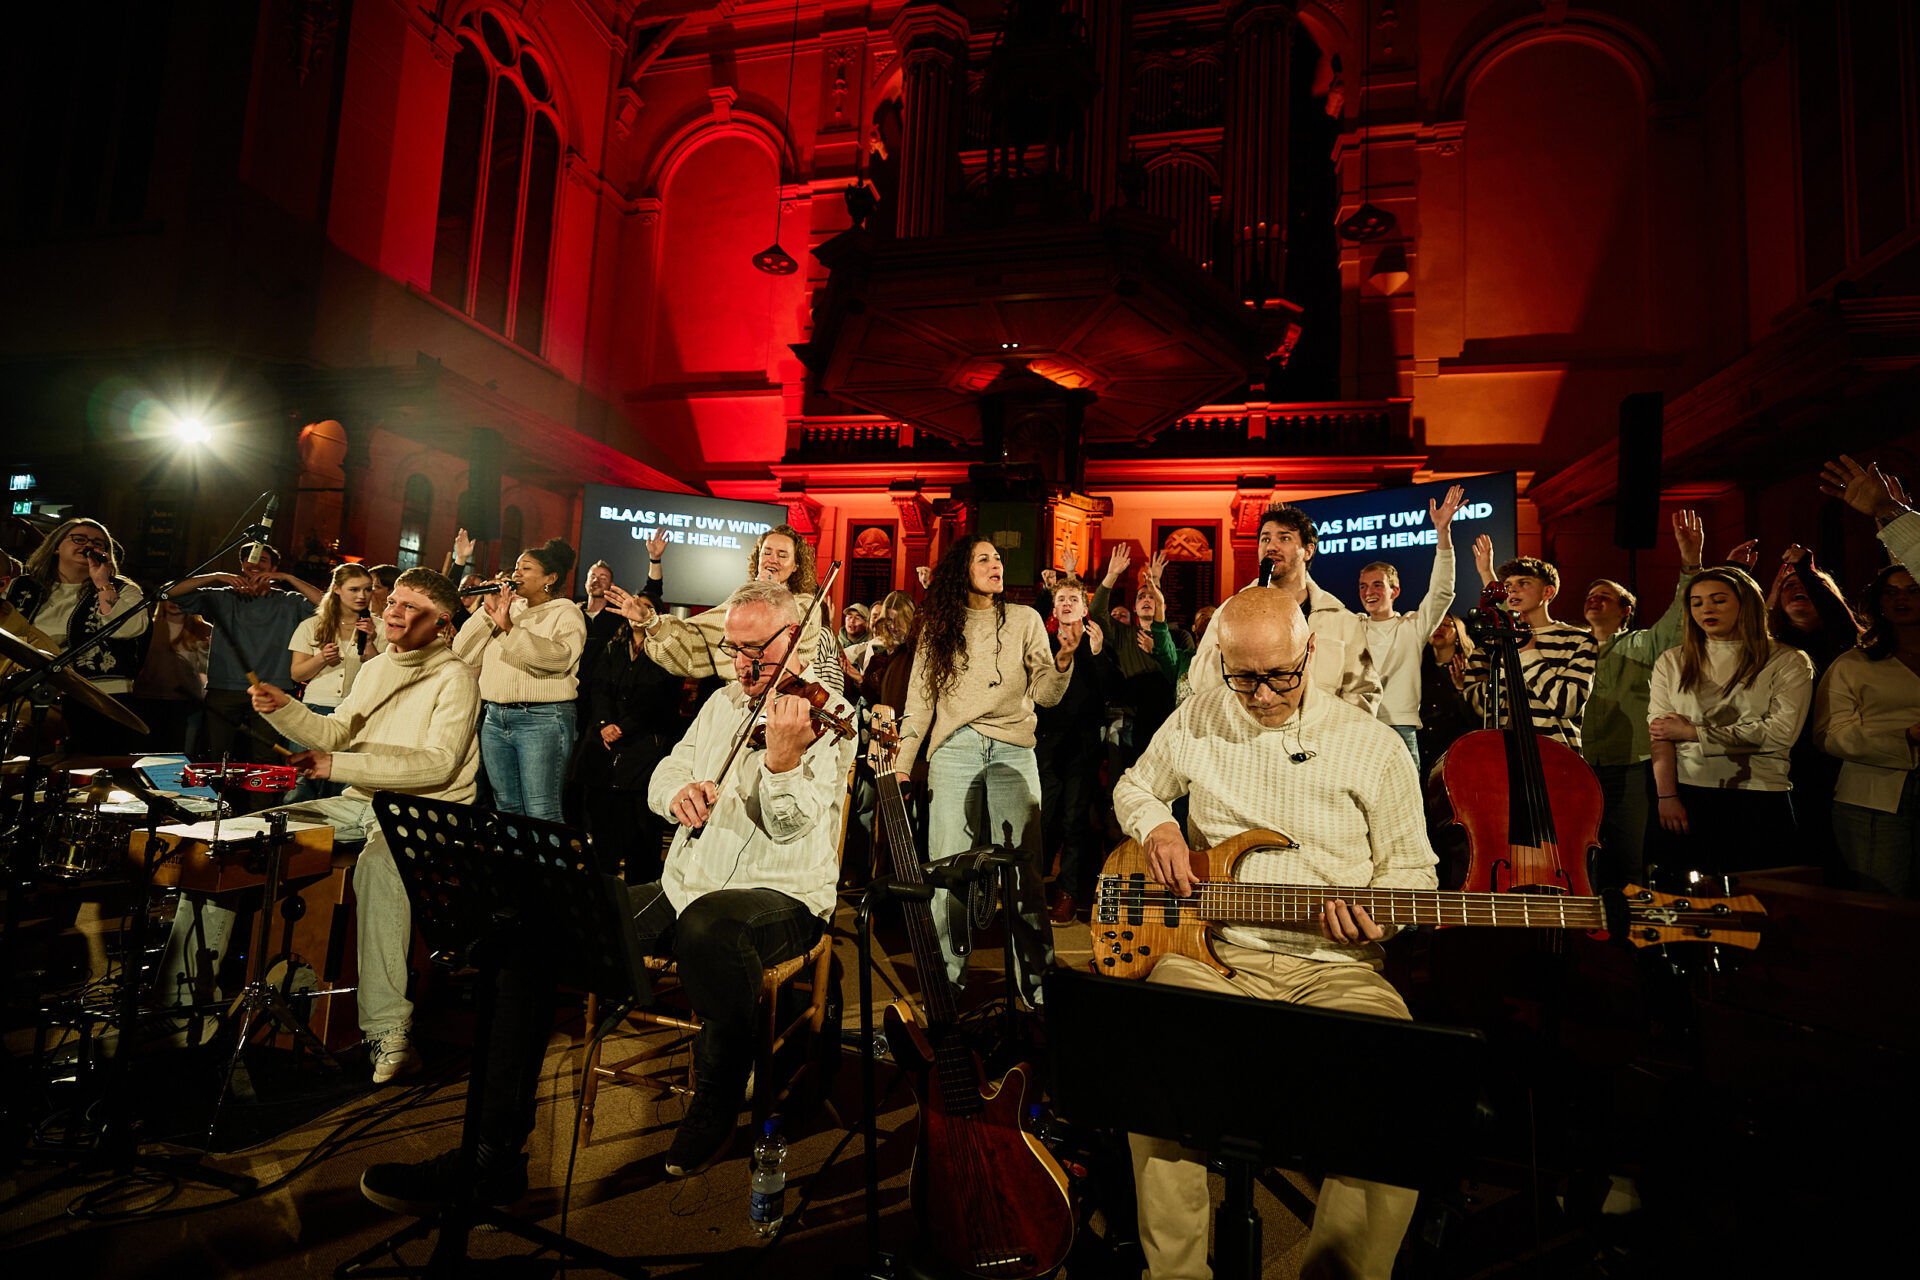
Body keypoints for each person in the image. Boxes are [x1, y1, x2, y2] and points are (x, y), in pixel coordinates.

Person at [355, 579, 855, 1211]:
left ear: (796, 637)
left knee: (710, 927)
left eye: (757, 650)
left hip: (782, 896)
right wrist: (676, 795)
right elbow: (668, 770)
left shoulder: (830, 718)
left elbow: (789, 826)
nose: (743, 665)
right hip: (686, 886)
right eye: (734, 649)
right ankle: (491, 1156)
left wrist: (782, 762)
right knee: (533, 927)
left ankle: (718, 1093)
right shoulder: (724, 702)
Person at [1113, 589, 1438, 1280]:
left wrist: (1383, 915)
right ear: (1221, 661)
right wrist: (1159, 826)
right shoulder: (1200, 716)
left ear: (1310, 652)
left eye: (1280, 676)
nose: (1262, 695)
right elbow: (1135, 787)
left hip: (1337, 967)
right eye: (1244, 677)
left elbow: (1414, 873)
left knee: (1399, 1092)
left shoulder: (1373, 746)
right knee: (1155, 1066)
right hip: (1212, 952)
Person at [159, 568, 480, 1082]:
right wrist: (285, 708)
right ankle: (182, 1015)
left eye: (409, 606)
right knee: (230, 841)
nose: (392, 611)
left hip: (428, 811)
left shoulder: (455, 676)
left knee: (380, 867)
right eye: (392, 601)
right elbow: (333, 732)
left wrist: (336, 765)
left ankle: (389, 1032)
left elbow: (438, 766)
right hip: (362, 801)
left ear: (442, 622)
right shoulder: (376, 668)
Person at [893, 536, 1081, 1008]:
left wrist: (1062, 660)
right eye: (984, 559)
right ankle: (945, 987)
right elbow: (919, 704)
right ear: (963, 570)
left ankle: (1036, 988)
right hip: (953, 749)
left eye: (998, 558)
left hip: (1013, 748)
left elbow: (1046, 695)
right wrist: (901, 765)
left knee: (1024, 871)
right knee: (947, 870)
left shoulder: (1025, 619)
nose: (996, 564)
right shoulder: (938, 628)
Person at [1648, 567, 1815, 877]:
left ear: (1746, 604)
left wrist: (1693, 733)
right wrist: (1667, 796)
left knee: (1759, 894)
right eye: (1697, 603)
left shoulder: (1787, 659)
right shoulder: (1672, 660)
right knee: (1688, 894)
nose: (1706, 609)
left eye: (1718, 600)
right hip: (1689, 792)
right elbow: (1660, 735)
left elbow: (1780, 733)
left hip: (1760, 795)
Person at [1578, 511, 1704, 888]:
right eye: (1590, 596)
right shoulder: (1570, 646)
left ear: (1625, 611)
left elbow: (1680, 620)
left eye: (1605, 596)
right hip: (1580, 766)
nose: (1594, 600)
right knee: (1582, 859)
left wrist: (1691, 563)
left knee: (1630, 859)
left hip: (1631, 767)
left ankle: (1633, 921)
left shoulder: (1643, 643)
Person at [1188, 505, 1382, 713]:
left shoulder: (1342, 620)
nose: (1271, 546)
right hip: (1249, 731)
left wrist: (1328, 728)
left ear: (1308, 551)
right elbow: (1200, 683)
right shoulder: (1229, 612)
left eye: (1284, 538)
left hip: (1318, 732)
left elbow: (1364, 693)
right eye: (1265, 539)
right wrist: (1232, 647)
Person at [452, 536, 586, 822]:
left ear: (550, 578)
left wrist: (510, 629)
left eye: (526, 568)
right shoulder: (507, 610)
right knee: (507, 809)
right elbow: (462, 652)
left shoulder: (566, 612)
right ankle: (515, 855)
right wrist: (488, 612)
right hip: (495, 718)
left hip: (542, 719)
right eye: (515, 568)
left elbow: (559, 659)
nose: (516, 574)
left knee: (541, 810)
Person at [1813, 563, 1920, 897]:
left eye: (1913, 590)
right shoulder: (1854, 664)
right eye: (1890, 592)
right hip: (1875, 795)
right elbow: (1829, 736)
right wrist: (1906, 736)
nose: (1901, 599)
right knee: (1881, 897)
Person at [167, 543, 323, 766]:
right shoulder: (222, 597)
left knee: (266, 759)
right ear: (242, 565)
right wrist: (216, 576)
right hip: (225, 687)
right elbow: (170, 592)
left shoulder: (290, 601)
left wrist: (287, 577)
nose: (255, 564)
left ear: (274, 567)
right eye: (250, 560)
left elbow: (328, 605)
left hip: (273, 688)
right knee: (217, 757)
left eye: (263, 560)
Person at [3, 518, 149, 751]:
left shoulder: (124, 590)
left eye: (98, 543)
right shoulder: (21, 586)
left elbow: (128, 628)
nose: (88, 546)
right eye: (79, 539)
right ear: (56, 547)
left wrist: (102, 582)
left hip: (98, 698)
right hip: (30, 694)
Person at [641, 525, 839, 693]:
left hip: (786, 696)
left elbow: (796, 643)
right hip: (739, 698)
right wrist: (651, 622)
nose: (773, 559)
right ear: (758, 557)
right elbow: (696, 637)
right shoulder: (739, 603)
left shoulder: (806, 604)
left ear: (796, 565)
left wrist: (771, 592)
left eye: (782, 555)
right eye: (767, 552)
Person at [572, 581, 678, 884]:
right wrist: (604, 724)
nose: (636, 611)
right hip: (606, 748)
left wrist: (624, 728)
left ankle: (638, 894)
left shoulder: (668, 654)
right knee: (603, 826)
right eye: (634, 605)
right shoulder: (613, 646)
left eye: (646, 607)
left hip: (645, 747)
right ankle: (603, 889)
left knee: (640, 833)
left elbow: (660, 699)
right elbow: (598, 689)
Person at [1354, 485, 1466, 759]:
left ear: (1395, 591)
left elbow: (1441, 591)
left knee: (1406, 790)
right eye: (1363, 586)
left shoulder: (1412, 626)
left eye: (1377, 585)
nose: (1369, 592)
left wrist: (1443, 532)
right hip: (1358, 726)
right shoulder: (1353, 625)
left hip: (1400, 728)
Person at [1462, 542, 1597, 750]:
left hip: (1559, 756)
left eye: (1524, 583)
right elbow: (1482, 708)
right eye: (1507, 585)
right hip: (1502, 756)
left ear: (1547, 592)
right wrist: (1507, 657)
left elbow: (1567, 705)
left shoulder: (1579, 640)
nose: (1512, 589)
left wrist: (1528, 652)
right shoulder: (1490, 644)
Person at [1037, 573, 1112, 923]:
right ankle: (1030, 887)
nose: (1067, 604)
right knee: (1039, 817)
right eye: (1061, 600)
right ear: (1054, 609)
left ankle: (1067, 892)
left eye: (1073, 599)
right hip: (1046, 742)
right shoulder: (1042, 643)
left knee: (1074, 821)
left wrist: (1096, 655)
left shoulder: (1097, 643)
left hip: (1082, 745)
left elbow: (1108, 694)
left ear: (1084, 608)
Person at [287, 563, 384, 800]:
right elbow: (297, 674)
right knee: (303, 784)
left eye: (367, 589)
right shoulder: (311, 626)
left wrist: (370, 643)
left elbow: (385, 675)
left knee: (346, 787)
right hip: (315, 710)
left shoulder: (381, 627)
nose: (362, 596)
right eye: (354, 589)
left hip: (358, 714)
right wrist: (321, 658)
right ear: (337, 589)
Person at [1090, 545, 1181, 773]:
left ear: (1162, 604)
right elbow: (1097, 611)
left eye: (1152, 596)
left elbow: (1179, 671)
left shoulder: (1177, 636)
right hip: (1133, 719)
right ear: (1134, 607)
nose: (1147, 599)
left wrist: (1157, 650)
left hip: (1168, 719)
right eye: (1141, 597)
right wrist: (1111, 575)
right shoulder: (1123, 634)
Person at [129, 599, 211, 754]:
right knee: (150, 752)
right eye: (170, 597)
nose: (174, 602)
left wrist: (205, 650)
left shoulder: (203, 629)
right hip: (150, 698)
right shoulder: (147, 627)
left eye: (181, 597)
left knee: (181, 752)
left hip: (186, 701)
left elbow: (207, 669)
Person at [1417, 612, 1478, 775]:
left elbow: (1477, 719)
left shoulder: (1471, 667)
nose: (1439, 628)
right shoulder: (1421, 667)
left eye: (1446, 625)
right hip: (1422, 753)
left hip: (1455, 756)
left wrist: (1461, 689)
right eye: (1435, 624)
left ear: (1458, 634)